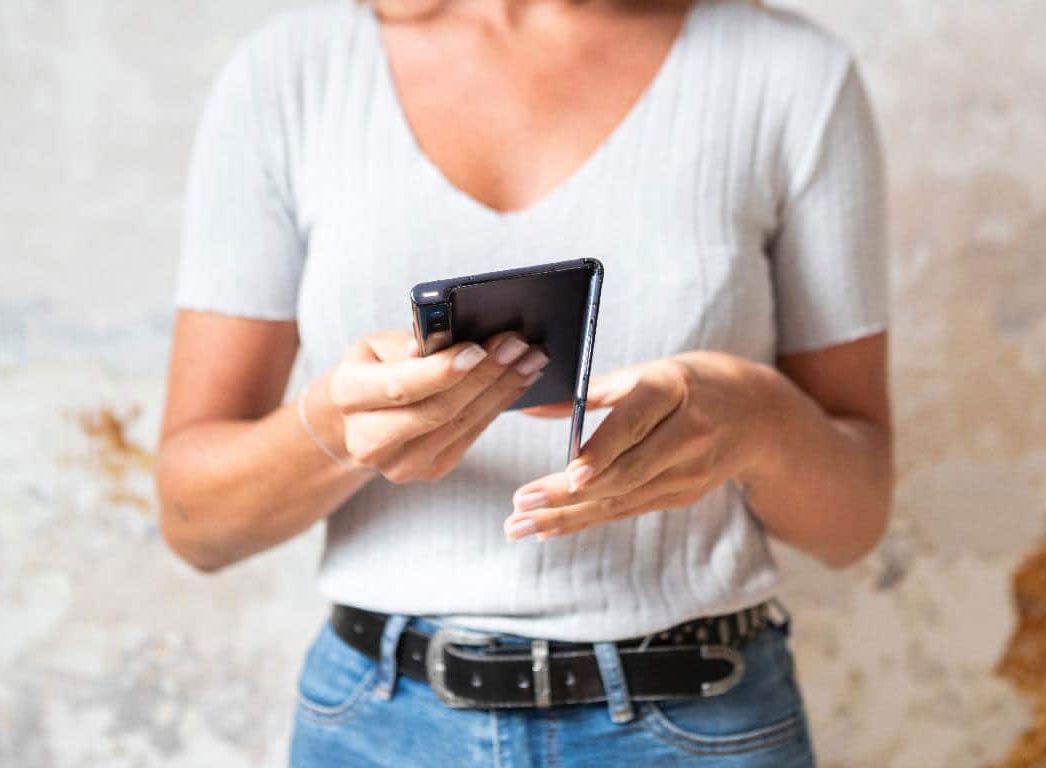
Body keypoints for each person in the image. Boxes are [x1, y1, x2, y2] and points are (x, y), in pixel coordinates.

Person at [154, 0, 892, 763]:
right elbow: (195, 523)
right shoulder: (288, 74)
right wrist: (337, 431)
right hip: (379, 729)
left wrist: (760, 421)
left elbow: (855, 521)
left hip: (698, 724)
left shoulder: (791, 73)